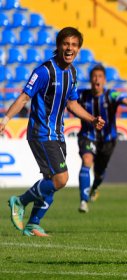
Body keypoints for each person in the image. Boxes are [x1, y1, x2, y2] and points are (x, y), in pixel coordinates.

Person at [0, 27, 105, 237]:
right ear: (58, 46)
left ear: (79, 49)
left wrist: (91, 119)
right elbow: (23, 98)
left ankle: (33, 224)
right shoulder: (44, 71)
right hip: (41, 133)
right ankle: (19, 202)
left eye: (74, 45)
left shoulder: (72, 72)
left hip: (57, 134)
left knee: (51, 181)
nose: (70, 48)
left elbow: (72, 104)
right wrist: (6, 119)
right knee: (61, 179)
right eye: (66, 44)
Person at [77, 64, 127, 213]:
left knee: (100, 172)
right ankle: (83, 201)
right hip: (87, 136)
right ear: (90, 79)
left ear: (104, 80)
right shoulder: (82, 95)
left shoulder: (111, 95)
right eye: (94, 76)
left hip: (108, 140)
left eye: (100, 76)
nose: (97, 79)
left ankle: (95, 187)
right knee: (87, 161)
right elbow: (66, 101)